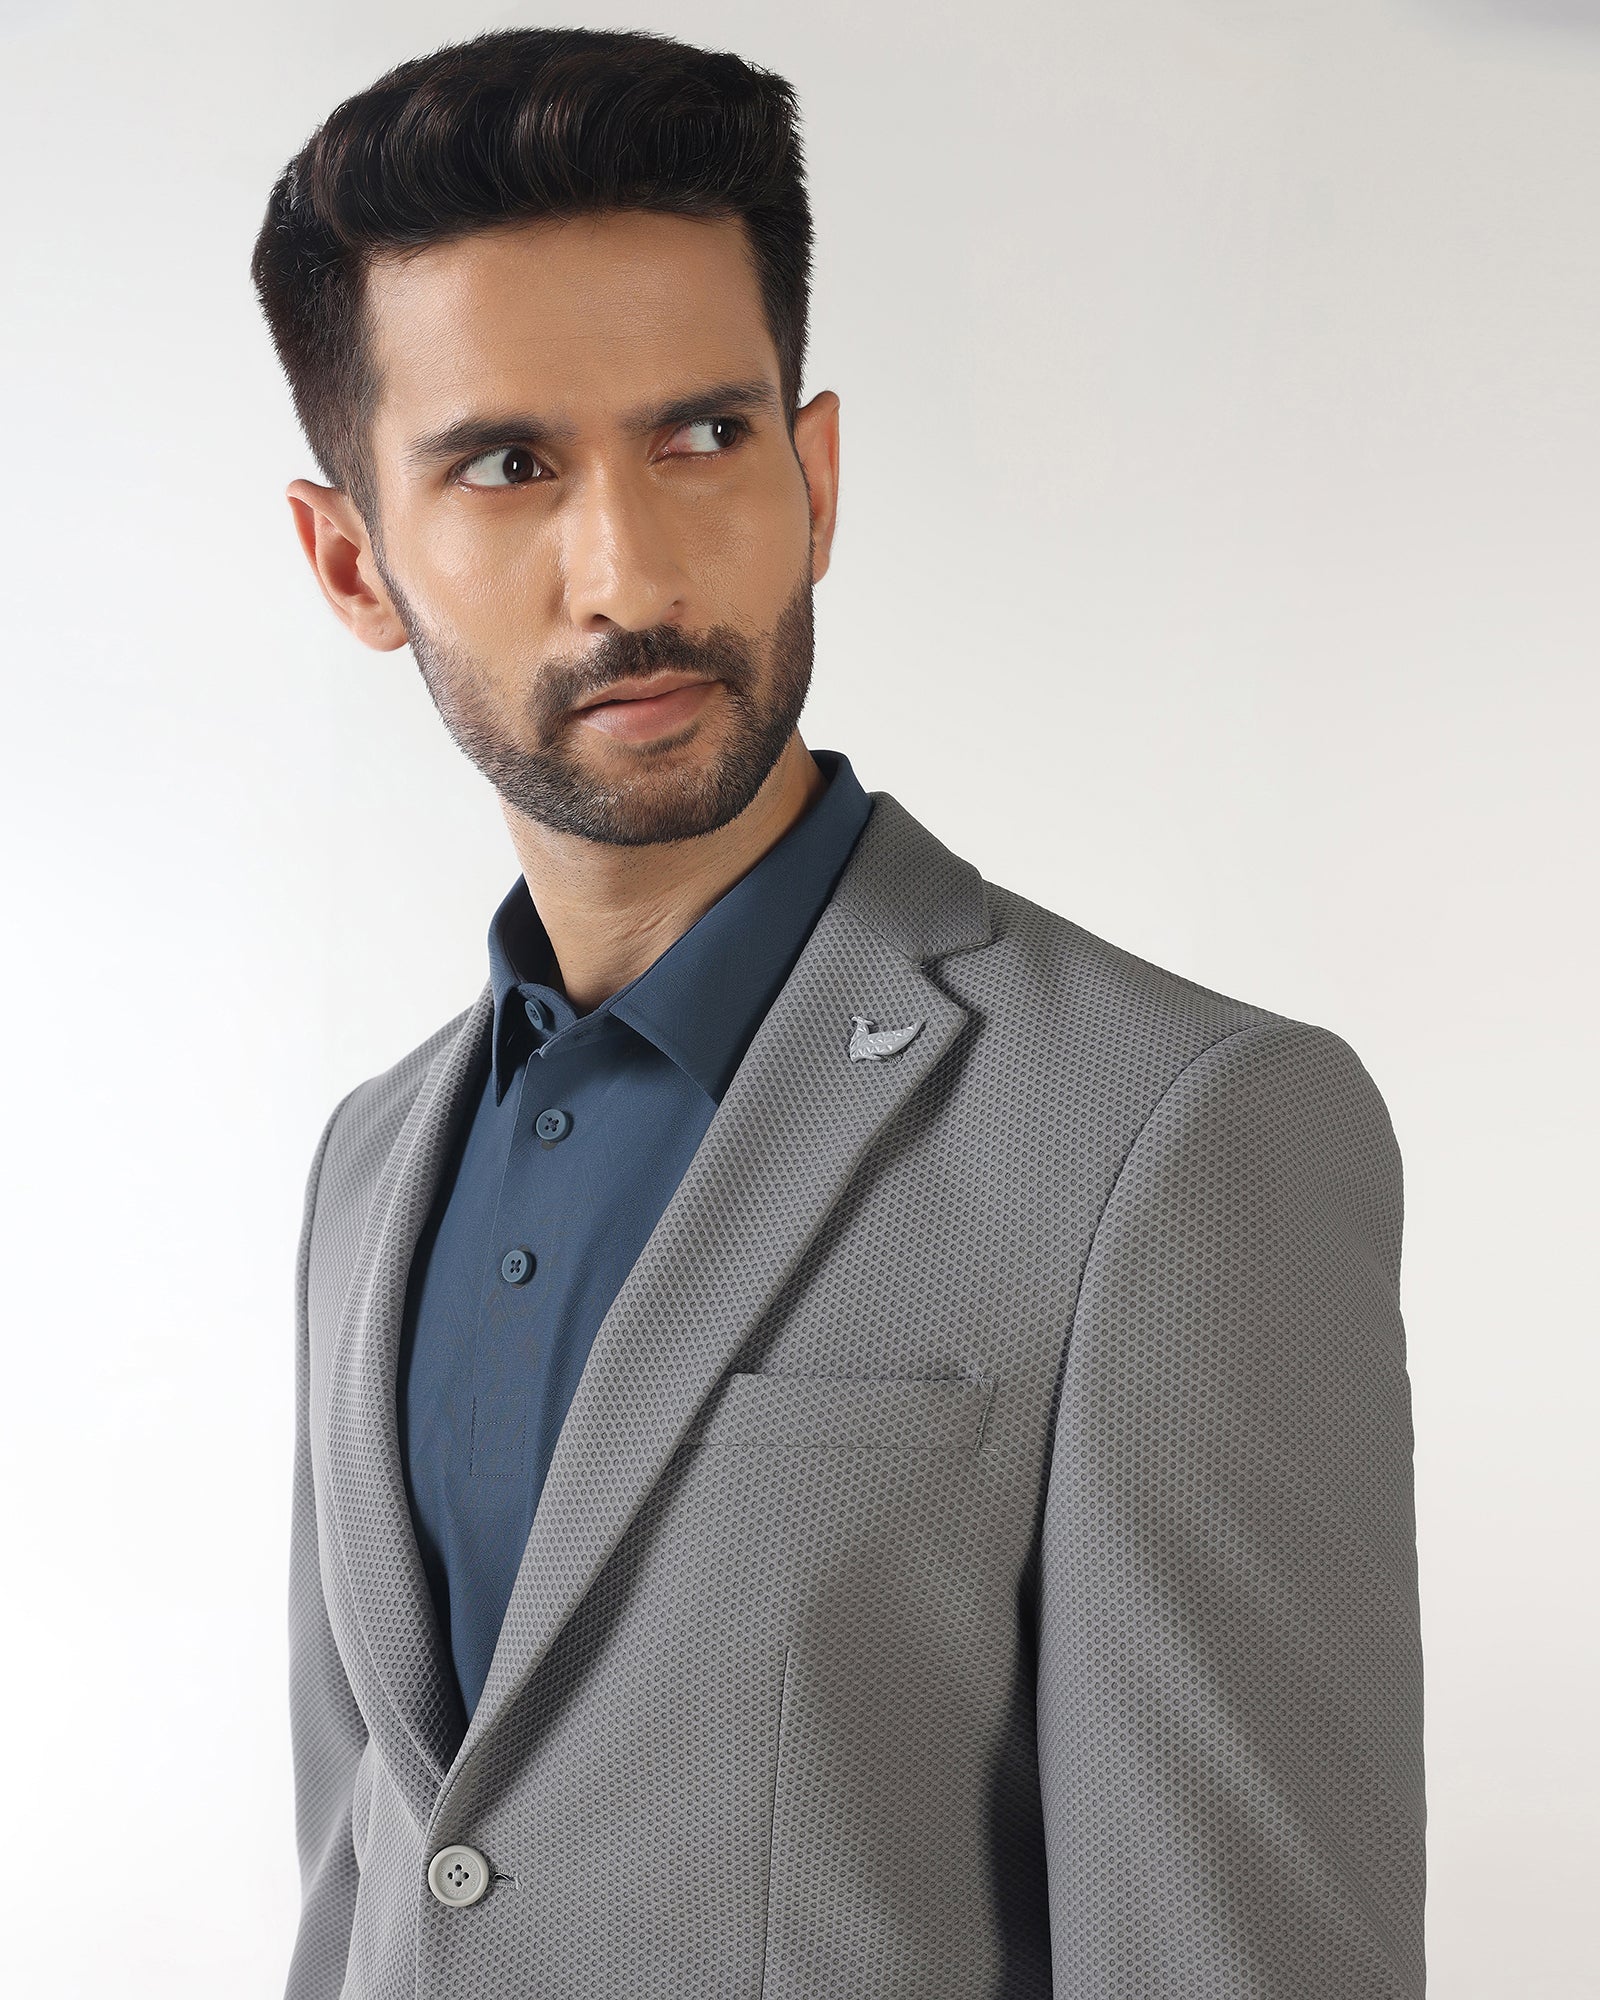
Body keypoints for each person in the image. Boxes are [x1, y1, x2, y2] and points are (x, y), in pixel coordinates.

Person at [253, 25, 1425, 1999]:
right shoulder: (370, 1163)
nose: (630, 571)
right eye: (509, 466)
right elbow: (372, 1887)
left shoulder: (1173, 1131)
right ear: (351, 559)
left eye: (701, 437)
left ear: (812, 476)